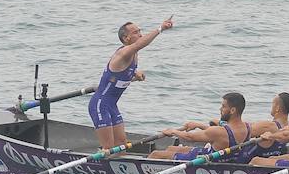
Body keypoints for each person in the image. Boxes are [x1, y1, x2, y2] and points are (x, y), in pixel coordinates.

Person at [88, 16, 174, 149]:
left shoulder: (134, 55)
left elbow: (118, 81)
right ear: (126, 38)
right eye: (135, 32)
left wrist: (134, 76)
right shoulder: (123, 53)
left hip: (112, 105)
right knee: (108, 148)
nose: (140, 35)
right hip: (99, 105)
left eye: (140, 31)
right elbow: (141, 44)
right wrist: (160, 28)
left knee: (121, 145)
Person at [149, 92, 252, 160]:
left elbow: (190, 137)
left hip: (207, 161)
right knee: (170, 148)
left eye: (223, 106)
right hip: (225, 158)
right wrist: (199, 125)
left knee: (156, 154)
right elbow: (223, 132)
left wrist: (173, 131)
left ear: (232, 110)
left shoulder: (219, 132)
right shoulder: (248, 128)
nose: (220, 109)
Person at [240, 92, 289, 162]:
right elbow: (251, 126)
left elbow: (240, 132)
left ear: (277, 108)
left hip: (247, 161)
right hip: (270, 158)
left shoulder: (269, 126)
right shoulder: (288, 125)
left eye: (273, 103)